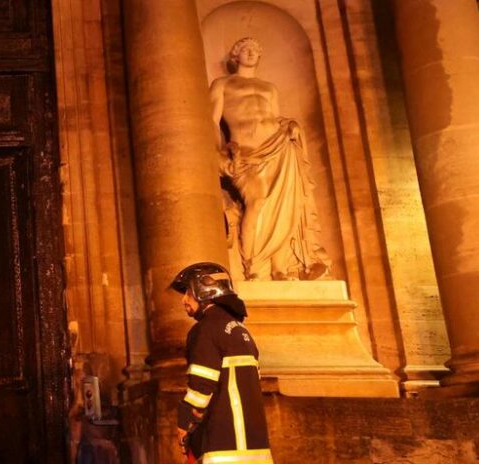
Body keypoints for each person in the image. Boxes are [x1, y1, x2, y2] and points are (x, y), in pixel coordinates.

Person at [210, 37, 330, 281]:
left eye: (256, 50)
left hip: (279, 147)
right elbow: (211, 120)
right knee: (258, 202)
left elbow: (275, 118)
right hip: (247, 153)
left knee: (286, 208)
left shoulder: (269, 88)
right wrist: (217, 151)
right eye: (246, 49)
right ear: (235, 56)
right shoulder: (222, 84)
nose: (251, 53)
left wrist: (290, 126)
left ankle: (279, 268)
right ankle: (253, 265)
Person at [171, 262, 272, 463]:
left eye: (188, 292)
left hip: (222, 446)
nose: (184, 300)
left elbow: (201, 386)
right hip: (256, 446)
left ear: (203, 291)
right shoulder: (241, 331)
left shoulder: (205, 329)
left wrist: (184, 423)